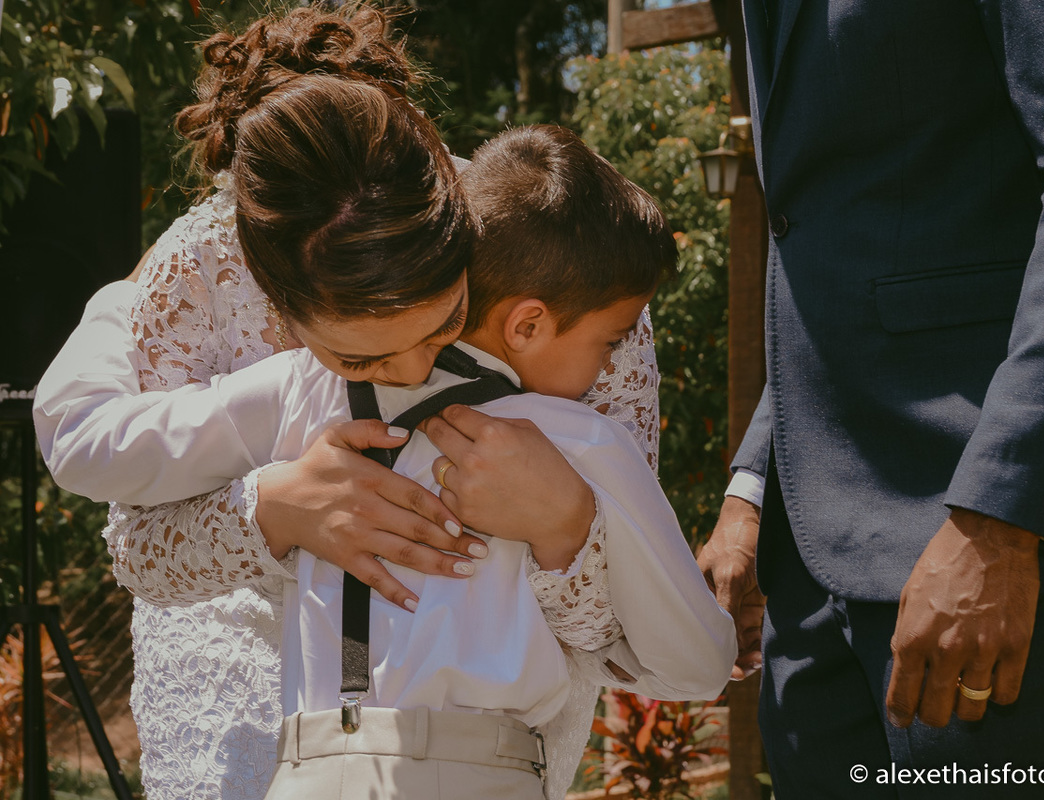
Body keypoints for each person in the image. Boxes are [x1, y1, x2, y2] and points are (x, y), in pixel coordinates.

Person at [33, 8, 663, 799]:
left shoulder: (561, 250)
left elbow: (631, 621)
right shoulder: (199, 264)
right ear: (279, 309)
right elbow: (134, 551)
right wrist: (273, 512)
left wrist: (565, 525)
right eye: (358, 357)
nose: (407, 373)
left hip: (485, 730)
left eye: (447, 322)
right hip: (242, 707)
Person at [698, 1, 1044, 797]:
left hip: (1005, 544)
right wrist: (754, 486)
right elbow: (825, 237)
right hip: (811, 575)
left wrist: (1002, 518)